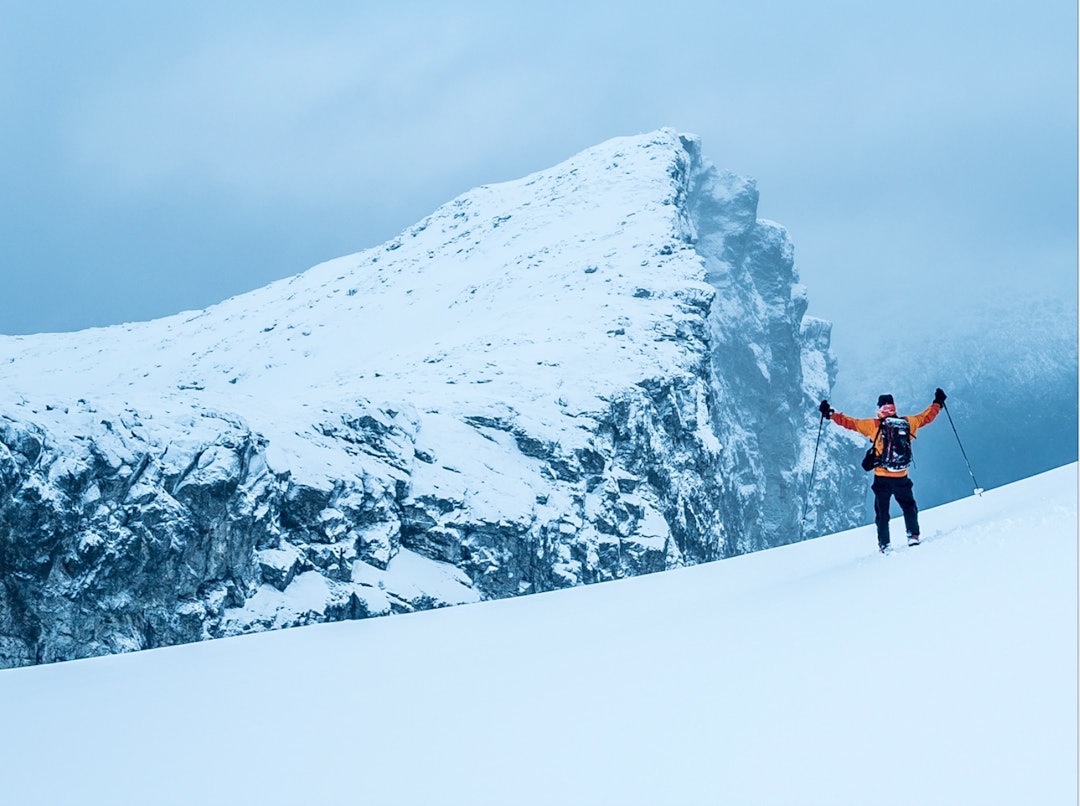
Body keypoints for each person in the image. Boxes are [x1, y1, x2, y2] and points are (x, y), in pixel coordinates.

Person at [818, 389, 947, 554]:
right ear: (894, 407)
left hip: (882, 477)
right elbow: (926, 417)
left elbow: (850, 423)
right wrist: (938, 402)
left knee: (882, 512)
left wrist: (830, 414)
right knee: (909, 506)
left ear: (879, 408)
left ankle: (885, 545)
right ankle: (913, 536)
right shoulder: (908, 422)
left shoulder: (873, 425)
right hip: (902, 476)